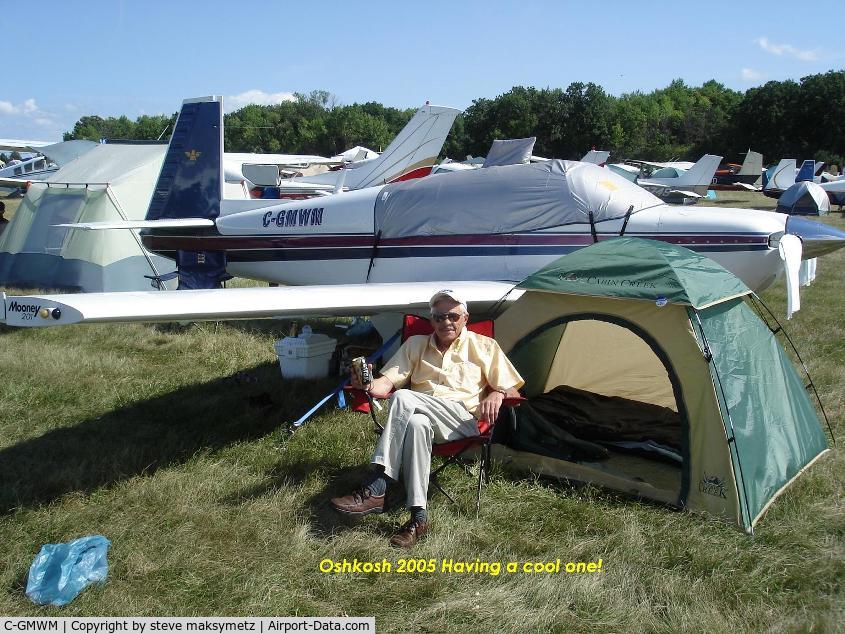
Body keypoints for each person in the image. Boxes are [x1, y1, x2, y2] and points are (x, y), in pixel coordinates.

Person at [331, 289, 524, 547]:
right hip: (419, 415)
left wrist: (498, 393)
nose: (446, 322)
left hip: (460, 421)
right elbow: (384, 385)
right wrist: (366, 383)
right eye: (439, 317)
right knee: (416, 423)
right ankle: (418, 519)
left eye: (453, 316)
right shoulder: (415, 345)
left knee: (403, 398)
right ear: (431, 320)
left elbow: (514, 389)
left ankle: (378, 484)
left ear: (465, 318)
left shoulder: (484, 346)